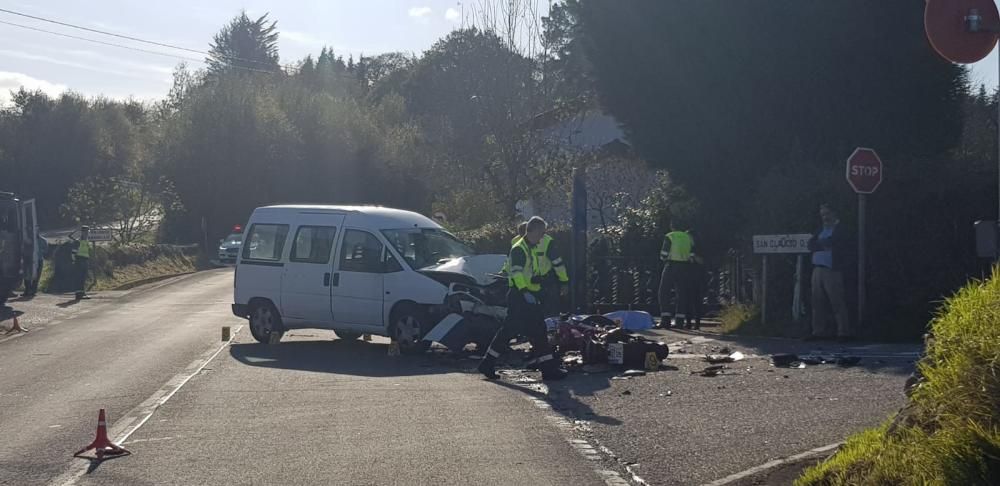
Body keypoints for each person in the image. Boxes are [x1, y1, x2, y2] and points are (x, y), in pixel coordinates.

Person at [479, 216, 567, 381]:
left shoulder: (530, 247)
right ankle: (488, 363)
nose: (543, 237)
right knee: (512, 331)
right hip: (521, 297)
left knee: (536, 331)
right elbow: (517, 273)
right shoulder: (520, 248)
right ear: (532, 231)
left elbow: (530, 270)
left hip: (528, 296)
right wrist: (525, 290)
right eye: (541, 233)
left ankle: (547, 369)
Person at [807, 204, 852, 341]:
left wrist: (822, 243)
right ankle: (818, 332)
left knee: (837, 301)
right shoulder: (820, 230)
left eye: (827, 214)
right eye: (823, 215)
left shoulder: (840, 229)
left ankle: (843, 332)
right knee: (817, 302)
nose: (825, 217)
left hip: (832, 269)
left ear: (834, 214)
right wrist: (823, 243)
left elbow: (836, 243)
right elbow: (811, 244)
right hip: (817, 269)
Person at [658, 223, 696, 328]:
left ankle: (665, 320)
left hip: (671, 265)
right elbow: (692, 255)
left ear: (672, 226)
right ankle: (679, 321)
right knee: (681, 294)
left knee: (664, 292)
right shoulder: (688, 237)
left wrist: (664, 259)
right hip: (685, 267)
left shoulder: (670, 236)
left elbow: (664, 254)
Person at [533, 231, 569, 319]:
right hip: (544, 283)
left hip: (541, 283)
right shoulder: (546, 240)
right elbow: (557, 263)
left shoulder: (518, 241)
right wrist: (564, 281)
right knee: (550, 316)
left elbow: (557, 263)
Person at [71, 226, 93, 300]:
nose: (87, 233)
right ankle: (78, 294)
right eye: (85, 232)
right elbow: (73, 253)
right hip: (79, 260)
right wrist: (75, 261)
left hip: (85, 260)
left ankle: (82, 293)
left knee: (83, 278)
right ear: (82, 232)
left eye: (87, 232)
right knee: (79, 278)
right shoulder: (78, 241)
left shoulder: (86, 241)